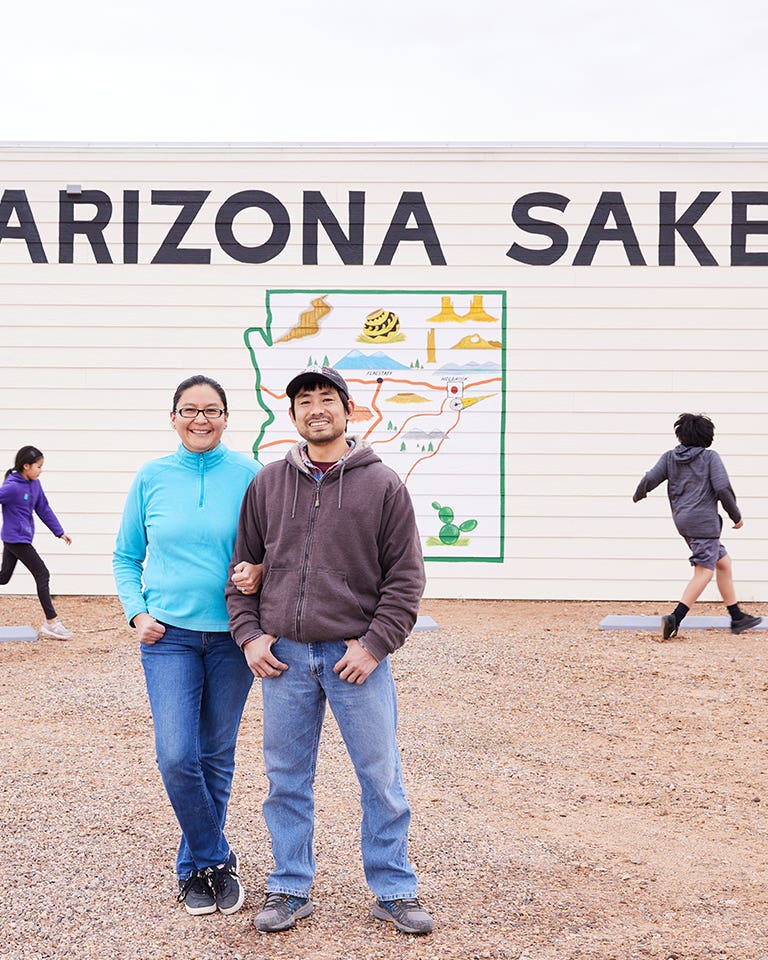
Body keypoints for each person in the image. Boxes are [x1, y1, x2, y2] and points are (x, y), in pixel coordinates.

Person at [225, 365, 434, 937]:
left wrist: (374, 645)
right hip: (284, 660)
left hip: (354, 660)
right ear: (293, 415)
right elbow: (241, 569)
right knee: (286, 781)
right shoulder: (268, 484)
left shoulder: (383, 485)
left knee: (381, 778)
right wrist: (249, 636)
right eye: (304, 401)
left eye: (327, 399)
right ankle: (290, 887)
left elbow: (405, 580)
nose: (316, 409)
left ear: (348, 410)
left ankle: (394, 889)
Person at [113, 374, 262, 917]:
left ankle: (195, 871)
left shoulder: (252, 475)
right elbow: (125, 556)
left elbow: (276, 548)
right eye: (190, 410)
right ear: (173, 416)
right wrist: (137, 612)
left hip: (232, 637)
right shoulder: (151, 477)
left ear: (226, 418)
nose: (201, 419)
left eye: (212, 410)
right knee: (177, 755)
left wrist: (261, 571)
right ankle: (217, 858)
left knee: (216, 755)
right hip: (168, 638)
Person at [633, 412, 762, 640]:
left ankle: (737, 617)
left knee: (723, 563)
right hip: (704, 523)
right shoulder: (710, 457)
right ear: (707, 437)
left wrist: (638, 494)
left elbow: (650, 478)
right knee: (704, 571)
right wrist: (736, 516)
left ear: (681, 435)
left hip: (683, 521)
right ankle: (675, 618)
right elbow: (722, 488)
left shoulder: (670, 457)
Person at [0, 445, 73, 639]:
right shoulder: (12, 487)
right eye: (38, 466)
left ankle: (51, 622)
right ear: (26, 466)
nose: (41, 470)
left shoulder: (35, 485)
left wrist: (59, 532)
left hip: (20, 537)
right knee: (42, 573)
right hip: (16, 539)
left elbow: (43, 509)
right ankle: (51, 622)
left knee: (3, 577)